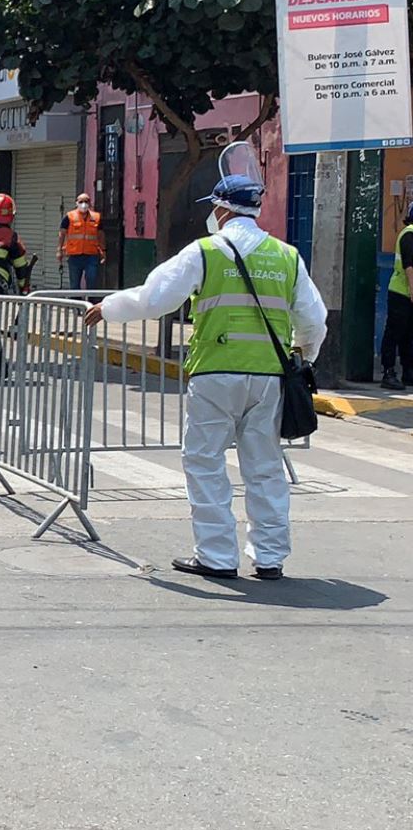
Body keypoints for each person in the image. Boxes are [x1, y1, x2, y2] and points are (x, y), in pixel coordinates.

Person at [86, 175, 327, 581]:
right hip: (269, 376)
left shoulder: (205, 251)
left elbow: (154, 298)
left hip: (215, 373)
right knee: (266, 468)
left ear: (221, 209)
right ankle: (269, 559)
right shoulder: (286, 256)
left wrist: (108, 308)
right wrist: (304, 355)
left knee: (204, 462)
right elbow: (314, 321)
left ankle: (217, 556)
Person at [380, 201, 413, 389]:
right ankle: (388, 372)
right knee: (395, 332)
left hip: (405, 291)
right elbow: (409, 266)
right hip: (401, 292)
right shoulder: (409, 234)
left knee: (408, 334)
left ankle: (408, 372)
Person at [58, 192, 107, 291]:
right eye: (81, 201)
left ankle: (91, 304)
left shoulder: (96, 217)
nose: (83, 204)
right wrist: (59, 250)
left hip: (91, 255)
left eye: (86, 201)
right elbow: (62, 233)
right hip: (74, 256)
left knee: (92, 282)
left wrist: (103, 250)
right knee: (75, 284)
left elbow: (101, 235)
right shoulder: (69, 216)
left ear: (90, 203)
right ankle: (76, 305)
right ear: (76, 203)